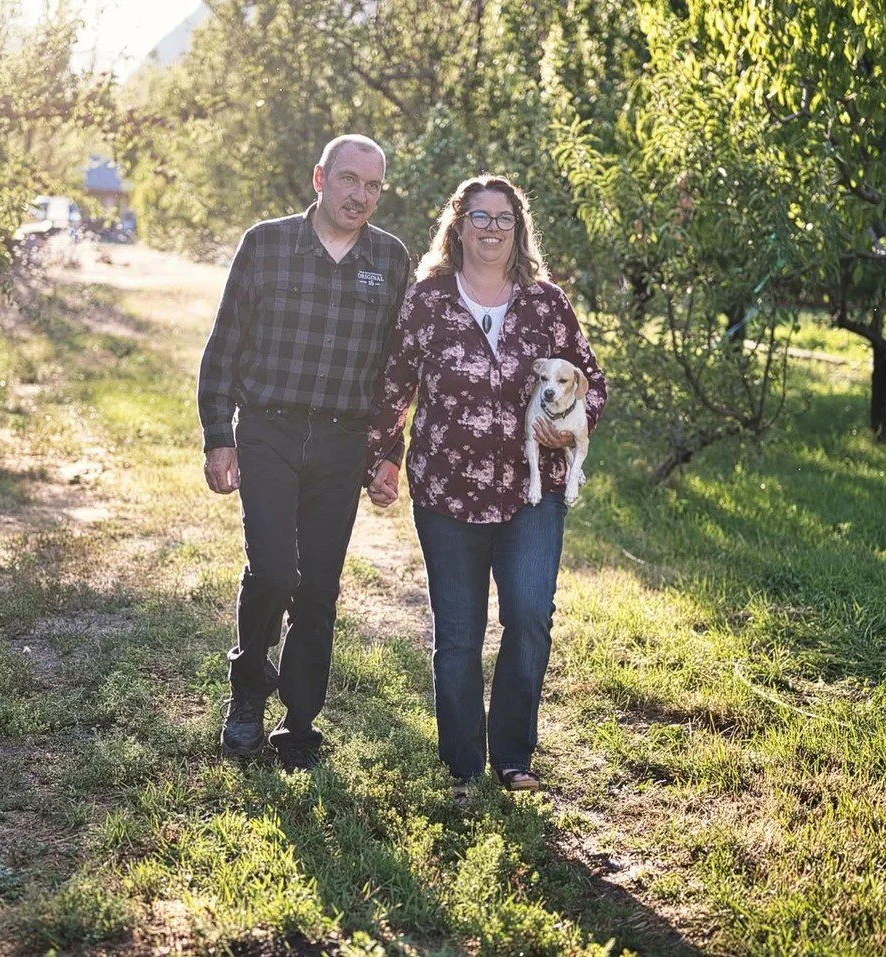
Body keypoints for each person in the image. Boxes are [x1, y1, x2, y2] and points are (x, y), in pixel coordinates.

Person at [364, 174, 606, 797]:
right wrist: (384, 457)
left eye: (504, 218)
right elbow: (395, 385)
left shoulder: (546, 303)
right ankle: (464, 763)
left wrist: (570, 430)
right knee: (460, 632)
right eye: (480, 216)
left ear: (518, 229)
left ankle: (514, 755)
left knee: (528, 617)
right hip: (447, 493)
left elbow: (591, 380)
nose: (492, 228)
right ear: (458, 225)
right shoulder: (427, 301)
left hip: (532, 493)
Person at [198, 134, 410, 771]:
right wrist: (218, 436)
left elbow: (395, 372)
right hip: (270, 428)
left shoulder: (389, 259)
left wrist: (387, 453)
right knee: (272, 570)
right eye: (349, 180)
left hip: (343, 441)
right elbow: (224, 347)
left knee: (318, 586)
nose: (360, 196)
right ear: (320, 178)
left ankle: (300, 724)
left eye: (372, 186)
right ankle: (247, 697)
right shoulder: (266, 244)